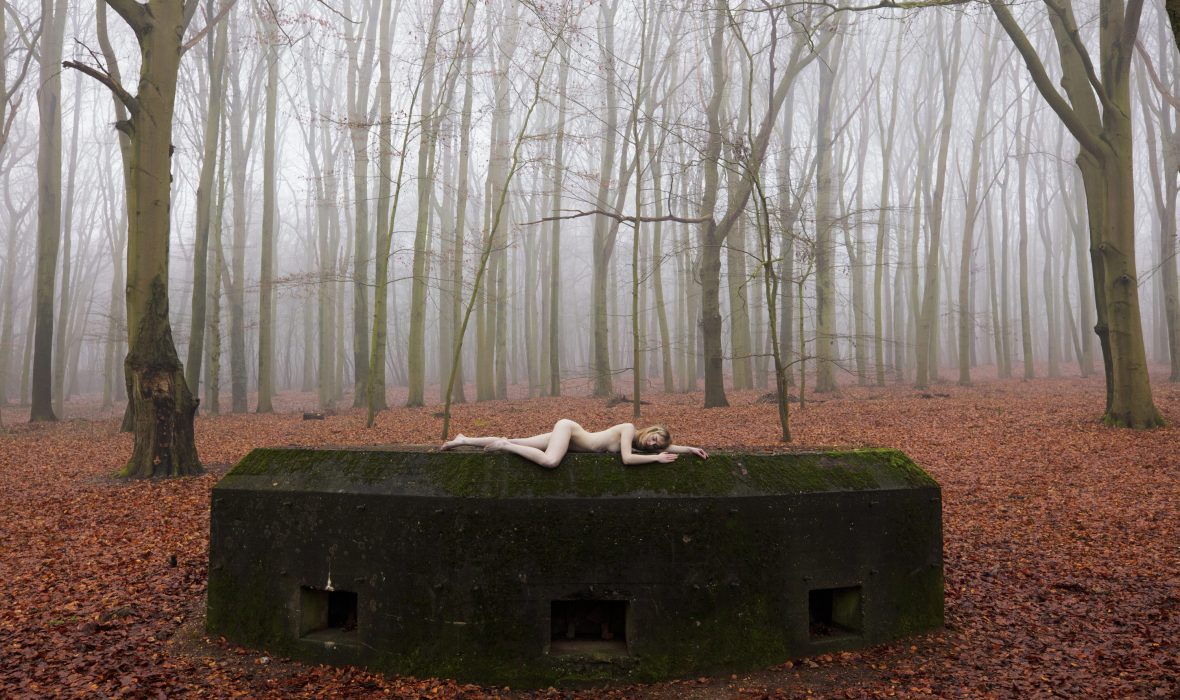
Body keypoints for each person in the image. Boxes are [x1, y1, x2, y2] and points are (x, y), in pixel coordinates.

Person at [440, 420, 708, 469]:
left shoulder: (642, 444)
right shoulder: (629, 430)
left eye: (656, 446)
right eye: (654, 438)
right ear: (650, 431)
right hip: (569, 431)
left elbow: (667, 449)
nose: (652, 445)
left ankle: (463, 439)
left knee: (518, 439)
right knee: (550, 462)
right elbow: (627, 459)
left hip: (570, 439)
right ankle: (503, 446)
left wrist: (688, 449)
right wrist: (656, 459)